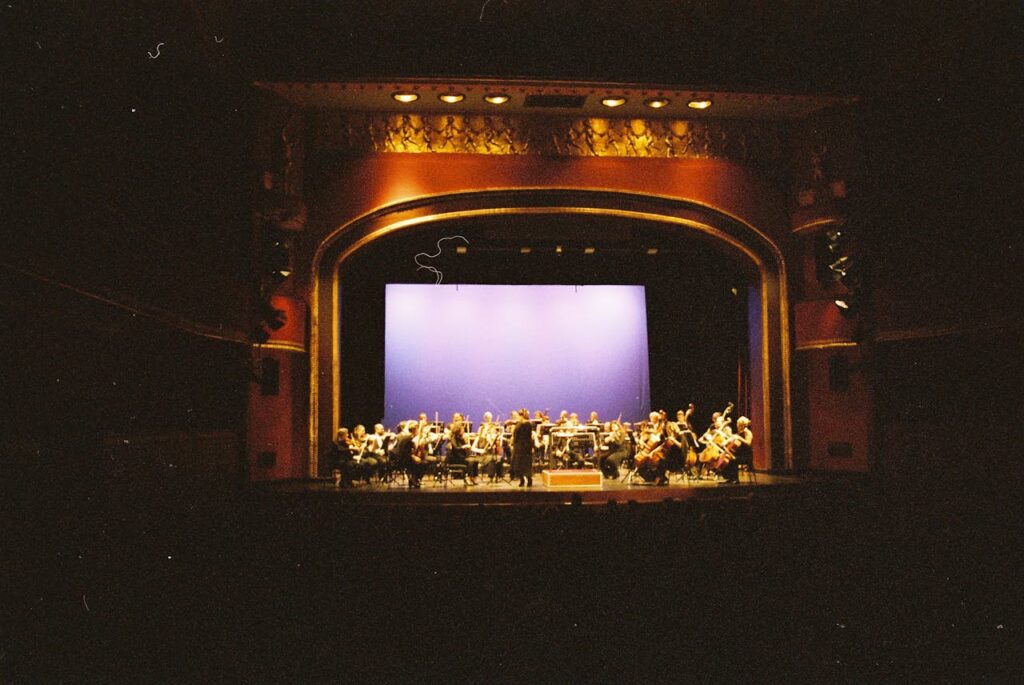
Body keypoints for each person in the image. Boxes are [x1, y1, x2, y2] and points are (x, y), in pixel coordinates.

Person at [719, 416, 753, 484]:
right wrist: (726, 442)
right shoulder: (739, 433)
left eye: (738, 424)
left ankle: (735, 479)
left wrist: (738, 438)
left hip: (746, 456)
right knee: (727, 458)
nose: (737, 426)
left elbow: (748, 443)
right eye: (737, 424)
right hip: (739, 454)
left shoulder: (748, 432)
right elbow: (733, 439)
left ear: (743, 425)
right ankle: (730, 478)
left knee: (732, 460)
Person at [510, 409, 534, 487]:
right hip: (527, 446)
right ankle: (529, 480)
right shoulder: (529, 424)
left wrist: (513, 443)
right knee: (526, 464)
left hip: (519, 447)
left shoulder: (519, 425)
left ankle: (522, 481)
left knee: (519, 464)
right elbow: (529, 436)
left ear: (521, 416)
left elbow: (515, 436)